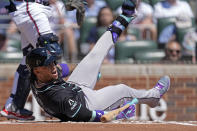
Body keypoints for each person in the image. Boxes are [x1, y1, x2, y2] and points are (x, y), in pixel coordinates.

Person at [26, 0, 170, 122]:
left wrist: (86, 68)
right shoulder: (57, 97)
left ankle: (125, 16)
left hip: (74, 88)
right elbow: (85, 115)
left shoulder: (38, 75)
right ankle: (153, 97)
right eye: (48, 64)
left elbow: (63, 68)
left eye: (52, 62)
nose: (53, 66)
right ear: (38, 70)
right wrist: (114, 113)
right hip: (87, 104)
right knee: (122, 89)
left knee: (94, 54)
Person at [0, 0, 85, 120]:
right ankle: (57, 104)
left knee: (30, 60)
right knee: (49, 52)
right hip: (29, 8)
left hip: (32, 9)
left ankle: (14, 106)